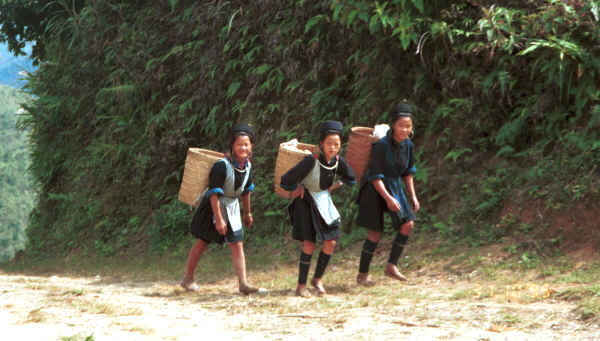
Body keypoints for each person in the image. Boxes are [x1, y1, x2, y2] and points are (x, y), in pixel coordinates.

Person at [181, 123, 261, 295]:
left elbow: (247, 191)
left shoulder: (247, 167)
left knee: (237, 243)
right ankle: (188, 278)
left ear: (251, 146)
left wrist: (247, 212)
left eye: (246, 144)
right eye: (239, 144)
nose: (243, 148)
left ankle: (243, 283)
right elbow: (214, 194)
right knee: (203, 242)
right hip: (213, 208)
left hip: (231, 208)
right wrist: (218, 218)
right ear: (232, 146)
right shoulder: (221, 166)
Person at [280, 121, 356, 297]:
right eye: (329, 143)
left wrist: (335, 186)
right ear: (321, 144)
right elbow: (286, 180)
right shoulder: (310, 161)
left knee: (331, 241)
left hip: (323, 201)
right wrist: (296, 188)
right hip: (305, 202)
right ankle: (300, 286)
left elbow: (351, 178)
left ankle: (317, 279)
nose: (333, 147)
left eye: (336, 144)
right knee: (309, 243)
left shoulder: (338, 161)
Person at [355, 103, 420, 286]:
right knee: (375, 234)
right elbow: (375, 176)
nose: (405, 130)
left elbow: (408, 172)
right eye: (401, 125)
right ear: (393, 125)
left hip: (394, 186)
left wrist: (413, 197)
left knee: (407, 223)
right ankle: (362, 275)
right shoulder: (381, 145)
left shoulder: (408, 145)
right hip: (375, 188)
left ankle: (391, 266)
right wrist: (388, 199)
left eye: (408, 126)